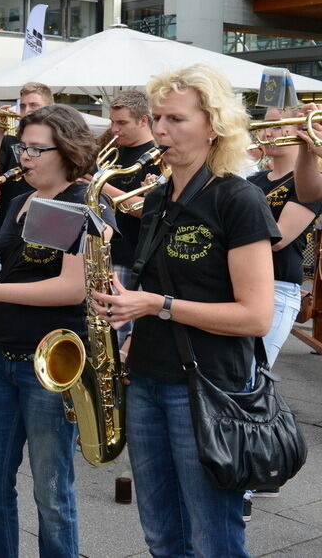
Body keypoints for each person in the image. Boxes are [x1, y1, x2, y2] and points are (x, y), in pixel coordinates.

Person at [93, 64, 278, 556]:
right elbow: (155, 287)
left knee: (213, 535)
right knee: (161, 533)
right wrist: (126, 313)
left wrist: (158, 304)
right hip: (150, 378)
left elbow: (257, 316)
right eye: (156, 118)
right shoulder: (155, 197)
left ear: (214, 125)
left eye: (175, 119)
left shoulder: (239, 199)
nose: (159, 130)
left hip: (208, 386)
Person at [0, 105, 111, 558]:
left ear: (67, 150)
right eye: (22, 147)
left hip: (52, 369)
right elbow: (6, 275)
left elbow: (71, 288)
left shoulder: (82, 201)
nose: (24, 157)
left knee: (52, 494)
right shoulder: (21, 201)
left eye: (36, 149)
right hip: (3, 359)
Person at [245, 107, 322, 502]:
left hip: (278, 285)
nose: (270, 132)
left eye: (280, 125)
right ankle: (264, 467)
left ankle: (258, 470)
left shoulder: (303, 180)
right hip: (243, 283)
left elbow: (279, 238)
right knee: (249, 382)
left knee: (252, 377)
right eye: (269, 125)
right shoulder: (255, 178)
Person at [86, 90, 159, 348]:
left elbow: (145, 208)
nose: (115, 129)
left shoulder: (157, 156)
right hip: (99, 252)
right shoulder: (112, 151)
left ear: (144, 120)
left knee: (115, 333)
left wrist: (98, 183)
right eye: (112, 122)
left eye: (122, 123)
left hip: (129, 256)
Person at [0, 81, 53, 222]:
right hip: (10, 225)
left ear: (50, 108)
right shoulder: (9, 142)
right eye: (23, 106)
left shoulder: (60, 143)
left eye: (34, 105)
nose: (27, 111)